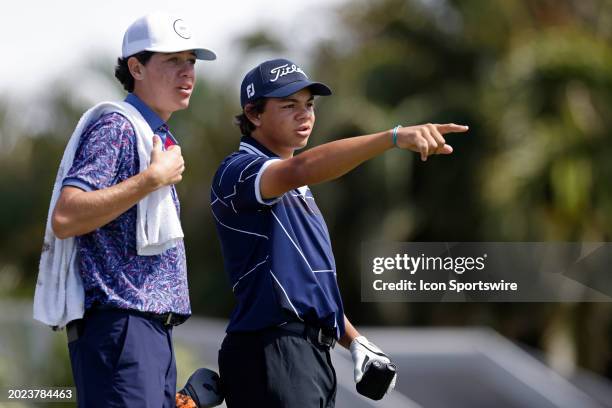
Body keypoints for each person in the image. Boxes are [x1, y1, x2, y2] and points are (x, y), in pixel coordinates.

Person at [210, 58, 468, 407]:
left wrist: (354, 340)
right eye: (289, 106)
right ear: (254, 114)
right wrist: (392, 137)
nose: (305, 115)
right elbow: (301, 167)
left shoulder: (296, 190)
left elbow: (308, 286)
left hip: (307, 354)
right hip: (271, 349)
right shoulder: (240, 170)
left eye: (309, 105)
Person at [34, 12, 215, 407]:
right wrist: (151, 179)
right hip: (121, 330)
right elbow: (66, 217)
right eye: (173, 61)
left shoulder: (151, 133)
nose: (188, 73)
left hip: (144, 334)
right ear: (136, 67)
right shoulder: (116, 126)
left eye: (191, 62)